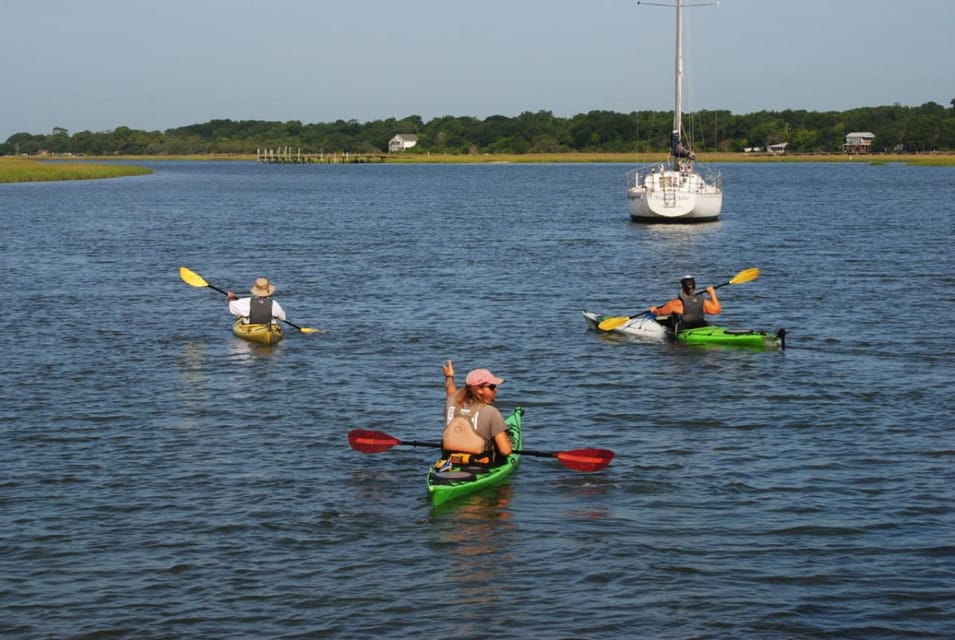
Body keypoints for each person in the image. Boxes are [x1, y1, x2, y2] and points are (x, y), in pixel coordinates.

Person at [440, 360, 512, 465]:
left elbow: (451, 392)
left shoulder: (450, 403)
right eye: (492, 387)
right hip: (480, 465)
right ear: (479, 389)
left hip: (449, 461)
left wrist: (449, 377)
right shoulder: (492, 412)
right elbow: (505, 451)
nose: (496, 390)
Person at [649, 275, 721, 330]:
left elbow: (660, 313)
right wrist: (712, 293)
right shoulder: (703, 301)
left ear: (682, 287)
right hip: (701, 326)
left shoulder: (675, 303)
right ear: (694, 287)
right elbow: (716, 311)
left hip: (685, 329)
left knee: (663, 320)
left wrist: (654, 310)